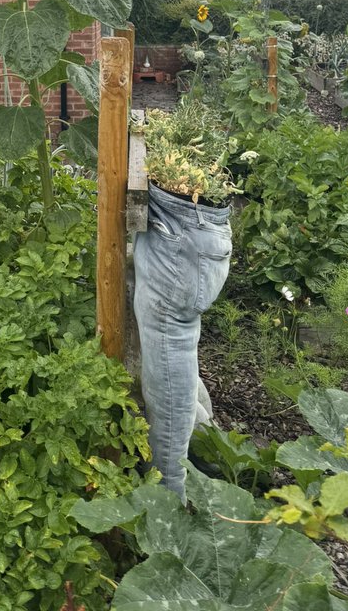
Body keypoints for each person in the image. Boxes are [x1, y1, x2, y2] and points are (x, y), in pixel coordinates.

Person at [133, 181, 232, 500]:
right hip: (193, 226)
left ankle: (169, 502)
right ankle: (216, 457)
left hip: (182, 232)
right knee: (176, 357)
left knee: (168, 389)